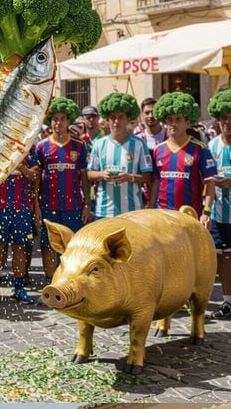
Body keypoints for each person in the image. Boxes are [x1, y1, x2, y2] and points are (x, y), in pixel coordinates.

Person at [35, 96, 90, 284]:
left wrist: (87, 205)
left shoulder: (79, 146)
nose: (58, 123)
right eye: (55, 118)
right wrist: (36, 205)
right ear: (50, 121)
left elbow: (84, 178)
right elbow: (36, 180)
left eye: (63, 119)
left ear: (69, 121)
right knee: (48, 245)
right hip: (48, 205)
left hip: (73, 205)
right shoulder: (41, 147)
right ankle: (51, 283)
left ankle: (70, 283)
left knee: (72, 245)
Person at [150, 92, 216, 227]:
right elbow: (156, 182)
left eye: (178, 119)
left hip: (190, 216)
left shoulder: (200, 149)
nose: (173, 124)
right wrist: (151, 208)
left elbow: (210, 183)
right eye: (169, 119)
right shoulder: (158, 150)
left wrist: (207, 212)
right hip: (163, 217)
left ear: (188, 123)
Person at [0, 149, 39, 304]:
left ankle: (19, 288)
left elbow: (36, 176)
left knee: (20, 248)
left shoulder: (28, 147)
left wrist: (21, 167)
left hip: (21, 207)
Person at [88, 94, 153, 219]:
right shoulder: (99, 144)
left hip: (132, 211)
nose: (116, 121)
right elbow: (89, 173)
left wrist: (129, 177)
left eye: (120, 117)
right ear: (107, 121)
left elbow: (148, 177)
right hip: (104, 211)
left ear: (128, 119)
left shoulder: (139, 144)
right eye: (112, 118)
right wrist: (102, 175)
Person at [206, 88, 231, 319]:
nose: (227, 122)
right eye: (224, 118)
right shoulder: (211, 146)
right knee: (222, 257)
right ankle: (227, 301)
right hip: (219, 214)